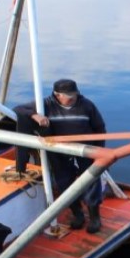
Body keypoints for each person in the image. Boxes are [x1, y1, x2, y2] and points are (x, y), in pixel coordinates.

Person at [14, 79, 108, 233]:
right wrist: (34, 115)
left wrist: (100, 151)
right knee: (64, 181)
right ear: (57, 95)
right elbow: (18, 109)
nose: (73, 98)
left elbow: (100, 127)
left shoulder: (87, 105)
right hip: (60, 149)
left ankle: (95, 217)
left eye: (74, 94)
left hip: (85, 149)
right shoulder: (46, 104)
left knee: (91, 180)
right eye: (68, 96)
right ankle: (77, 214)